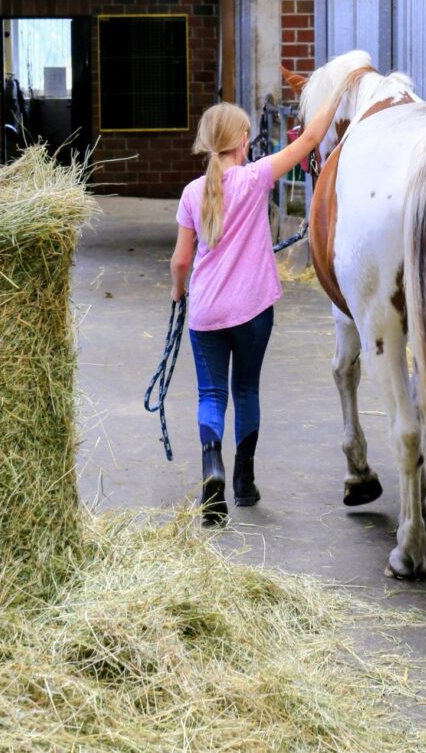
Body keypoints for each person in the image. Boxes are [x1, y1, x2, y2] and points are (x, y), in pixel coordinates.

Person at [170, 90, 343, 526]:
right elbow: (309, 141)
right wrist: (337, 90)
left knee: (211, 394)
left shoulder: (192, 193)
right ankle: (244, 483)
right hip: (252, 313)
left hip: (206, 313)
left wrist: (178, 292)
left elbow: (182, 261)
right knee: (246, 390)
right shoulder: (256, 177)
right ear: (243, 139)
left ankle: (213, 469)